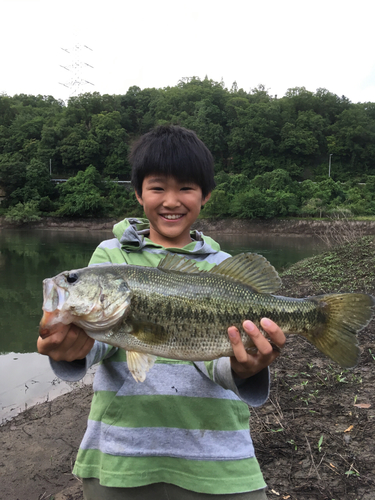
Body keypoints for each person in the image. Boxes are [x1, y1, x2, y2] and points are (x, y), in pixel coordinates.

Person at [37, 125, 286, 500]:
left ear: (206, 196)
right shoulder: (110, 256)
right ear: (138, 193)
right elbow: (102, 342)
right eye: (157, 187)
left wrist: (242, 368)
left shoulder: (222, 266)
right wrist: (73, 348)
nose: (171, 200)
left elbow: (209, 357)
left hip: (217, 459)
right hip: (122, 458)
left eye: (186, 187)